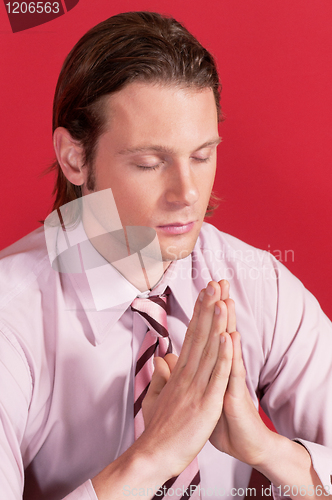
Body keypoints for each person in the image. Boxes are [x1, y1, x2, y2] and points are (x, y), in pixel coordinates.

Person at [0, 11, 332, 500]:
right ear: (75, 159)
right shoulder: (12, 314)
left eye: (202, 156)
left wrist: (266, 449)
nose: (187, 193)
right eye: (149, 163)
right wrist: (152, 457)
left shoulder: (260, 285)